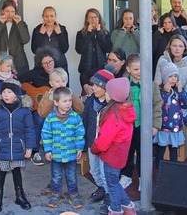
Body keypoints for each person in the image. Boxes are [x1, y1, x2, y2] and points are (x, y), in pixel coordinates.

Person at [0, 80, 36, 212]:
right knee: (1, 174)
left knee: (17, 171)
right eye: (3, 92)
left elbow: (29, 129)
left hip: (17, 147)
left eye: (9, 92)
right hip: (2, 147)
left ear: (16, 94)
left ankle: (20, 196)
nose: (6, 95)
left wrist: (29, 147)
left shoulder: (24, 111)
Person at [90, 78, 137, 215]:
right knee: (115, 183)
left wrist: (94, 148)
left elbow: (104, 140)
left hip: (111, 157)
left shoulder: (113, 115)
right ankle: (128, 208)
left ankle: (116, 210)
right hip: (120, 156)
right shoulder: (127, 110)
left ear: (113, 95)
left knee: (112, 186)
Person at [120, 54, 161, 191]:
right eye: (136, 69)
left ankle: (144, 178)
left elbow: (157, 105)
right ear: (128, 69)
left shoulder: (152, 85)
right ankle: (126, 175)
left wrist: (155, 125)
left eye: (142, 69)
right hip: (128, 125)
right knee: (128, 151)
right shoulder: (124, 84)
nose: (140, 72)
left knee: (144, 152)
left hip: (145, 125)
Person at [42, 86, 86, 209]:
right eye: (64, 101)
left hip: (71, 154)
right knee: (56, 177)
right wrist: (48, 150)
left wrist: (79, 148)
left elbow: (80, 133)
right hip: (56, 154)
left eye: (70, 100)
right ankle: (56, 194)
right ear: (56, 102)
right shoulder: (50, 118)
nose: (68, 104)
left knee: (71, 176)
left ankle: (74, 195)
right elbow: (46, 135)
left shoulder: (75, 117)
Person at [36, 68, 85, 167]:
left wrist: (72, 96)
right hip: (54, 131)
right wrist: (51, 98)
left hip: (68, 130)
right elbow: (42, 113)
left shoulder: (69, 95)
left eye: (63, 81)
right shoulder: (48, 95)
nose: (61, 84)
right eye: (57, 81)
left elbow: (81, 109)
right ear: (51, 83)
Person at [82, 69, 114, 214]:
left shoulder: (111, 105)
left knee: (104, 170)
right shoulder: (90, 100)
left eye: (97, 85)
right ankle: (101, 187)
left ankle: (109, 194)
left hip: (106, 146)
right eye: (92, 85)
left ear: (106, 88)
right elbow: (85, 121)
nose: (93, 88)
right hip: (91, 142)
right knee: (94, 170)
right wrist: (84, 143)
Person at [155, 61, 187, 164]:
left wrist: (181, 91)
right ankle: (159, 170)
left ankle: (173, 170)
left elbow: (186, 104)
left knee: (174, 150)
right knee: (160, 150)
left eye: (175, 76)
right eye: (170, 76)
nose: (173, 79)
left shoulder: (178, 91)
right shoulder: (160, 91)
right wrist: (166, 93)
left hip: (176, 128)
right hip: (164, 128)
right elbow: (160, 105)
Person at [0, 0, 30, 75]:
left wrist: (19, 24)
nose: (10, 14)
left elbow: (25, 40)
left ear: (15, 12)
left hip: (18, 62)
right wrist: (1, 23)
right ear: (2, 11)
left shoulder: (21, 24)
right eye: (7, 11)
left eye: (12, 11)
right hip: (0, 63)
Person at [76, 8, 112, 94]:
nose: (93, 20)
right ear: (87, 19)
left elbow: (108, 49)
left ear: (99, 19)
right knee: (86, 94)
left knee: (101, 93)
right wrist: (88, 33)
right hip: (86, 70)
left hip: (100, 68)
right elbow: (79, 50)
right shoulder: (81, 34)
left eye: (95, 17)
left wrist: (99, 33)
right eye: (90, 17)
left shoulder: (105, 33)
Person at [30, 6, 70, 72]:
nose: (49, 19)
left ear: (55, 16)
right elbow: (34, 50)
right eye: (46, 16)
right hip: (42, 67)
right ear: (42, 17)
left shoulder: (62, 29)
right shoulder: (37, 30)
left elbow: (64, 49)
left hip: (59, 66)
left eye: (52, 16)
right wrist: (40, 35)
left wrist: (59, 34)